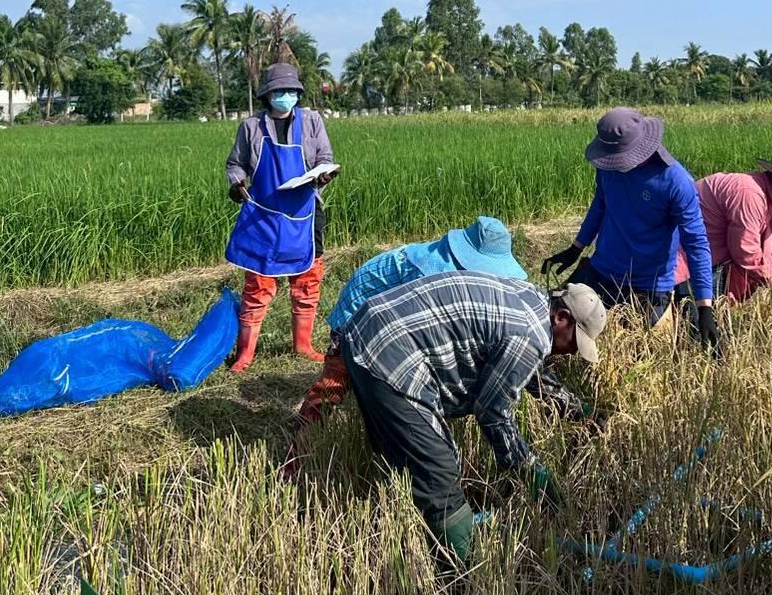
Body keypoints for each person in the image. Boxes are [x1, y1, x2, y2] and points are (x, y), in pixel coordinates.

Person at [337, 273, 608, 562]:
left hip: (367, 328)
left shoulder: (533, 302)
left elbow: (529, 371)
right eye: (575, 343)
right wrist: (532, 473)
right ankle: (463, 573)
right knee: (439, 473)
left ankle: (412, 527)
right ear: (562, 318)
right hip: (389, 351)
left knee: (407, 452)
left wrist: (578, 411)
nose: (571, 352)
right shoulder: (530, 335)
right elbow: (492, 413)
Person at [541, 107, 716, 349]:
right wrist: (576, 248)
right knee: (552, 325)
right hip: (603, 270)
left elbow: (696, 243)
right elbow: (600, 205)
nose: (614, 163)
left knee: (643, 353)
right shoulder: (608, 167)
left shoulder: (675, 181)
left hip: (650, 284)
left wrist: (705, 305)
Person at [225, 61, 337, 372]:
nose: (285, 96)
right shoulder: (251, 127)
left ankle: (303, 345)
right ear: (267, 95)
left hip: (305, 214)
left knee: (308, 278)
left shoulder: (312, 121)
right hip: (264, 215)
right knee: (258, 282)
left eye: (291, 91)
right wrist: (237, 184)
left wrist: (323, 174)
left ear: (298, 93)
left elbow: (325, 157)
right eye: (279, 91)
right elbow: (236, 165)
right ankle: (245, 353)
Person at [674, 151, 772, 305]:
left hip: (703, 258)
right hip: (682, 259)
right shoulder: (750, 195)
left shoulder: (764, 200)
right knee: (696, 315)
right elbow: (746, 253)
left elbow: (764, 256)